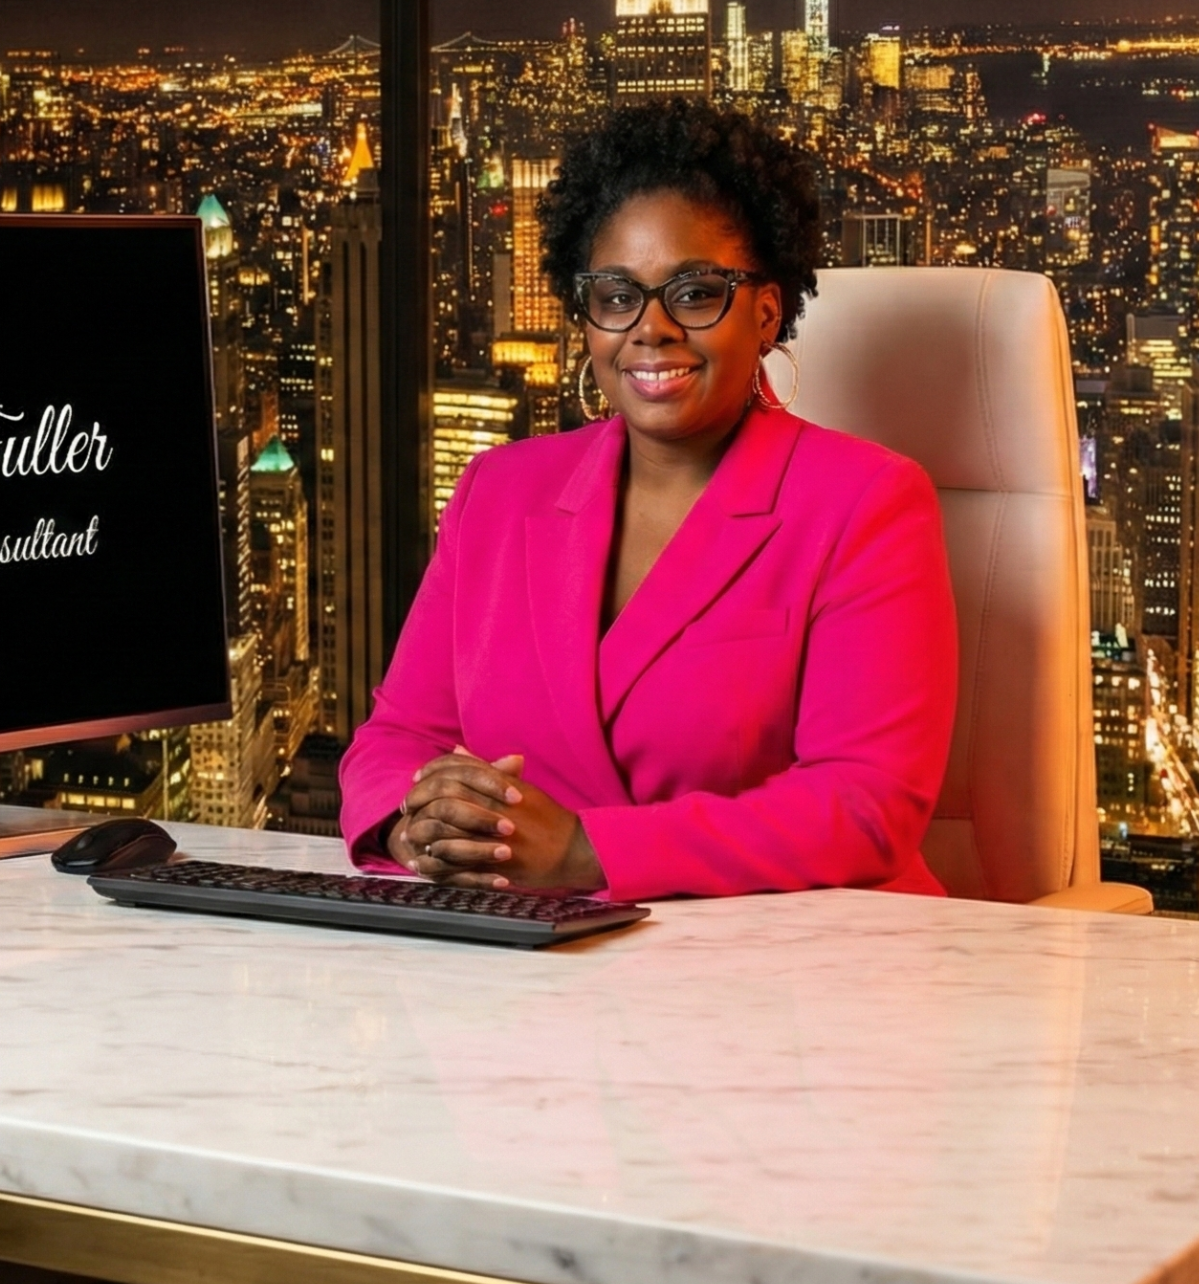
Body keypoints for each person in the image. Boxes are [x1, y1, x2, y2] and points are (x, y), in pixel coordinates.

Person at [338, 101, 958, 900]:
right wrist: (412, 822)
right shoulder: (497, 494)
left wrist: (588, 853)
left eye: (695, 293)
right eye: (616, 294)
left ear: (765, 313)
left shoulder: (867, 503)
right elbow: (396, 738)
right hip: (535, 972)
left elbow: (865, 805)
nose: (649, 329)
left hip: (795, 980)